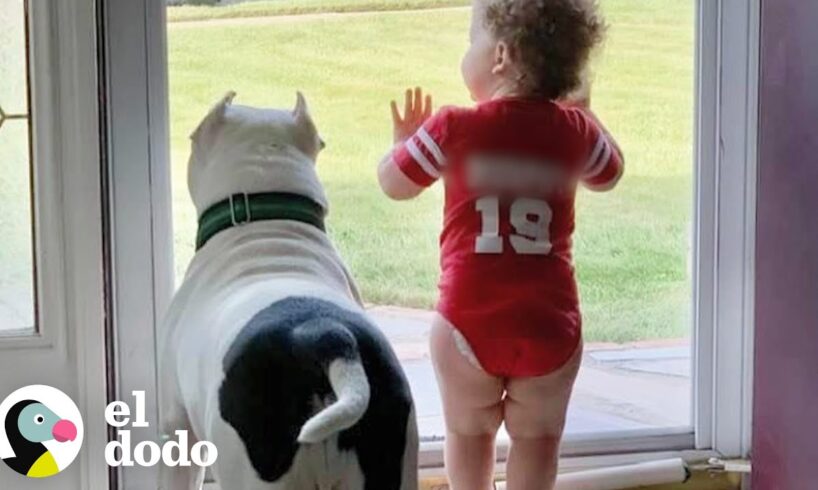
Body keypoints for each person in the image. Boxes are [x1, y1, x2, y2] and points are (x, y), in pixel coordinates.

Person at [376, 0, 623, 488]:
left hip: (468, 324)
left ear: (501, 55)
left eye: (473, 40)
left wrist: (402, 142)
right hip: (550, 325)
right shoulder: (575, 131)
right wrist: (585, 111)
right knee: (537, 441)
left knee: (468, 435)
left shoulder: (453, 127)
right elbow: (610, 172)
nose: (466, 51)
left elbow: (393, 183)